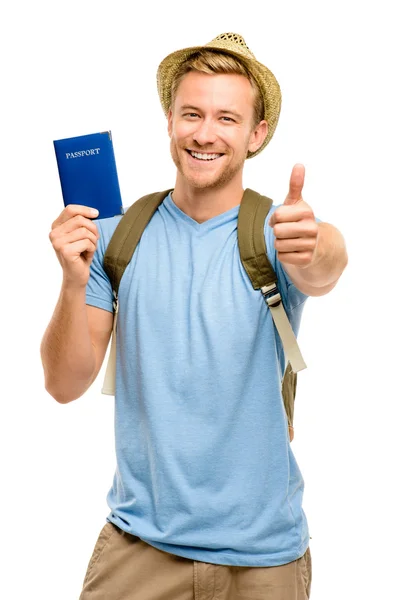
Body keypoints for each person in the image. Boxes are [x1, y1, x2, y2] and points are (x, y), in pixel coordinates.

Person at [41, 32, 348, 600]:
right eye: (192, 114)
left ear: (256, 134)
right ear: (169, 121)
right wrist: (72, 280)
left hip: (264, 562)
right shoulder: (117, 236)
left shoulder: (278, 234)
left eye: (227, 118)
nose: (205, 133)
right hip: (139, 550)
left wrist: (320, 244)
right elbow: (63, 385)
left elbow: (325, 266)